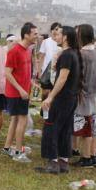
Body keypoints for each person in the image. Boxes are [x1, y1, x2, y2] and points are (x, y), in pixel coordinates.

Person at [35, 26, 81, 174]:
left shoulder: (67, 55)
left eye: (59, 34)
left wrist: (50, 97)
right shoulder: (74, 53)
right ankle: (63, 162)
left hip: (62, 98)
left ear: (66, 37)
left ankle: (53, 162)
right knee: (65, 129)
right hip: (71, 97)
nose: (56, 36)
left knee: (51, 127)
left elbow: (62, 79)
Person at [3, 22, 38, 162]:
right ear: (26, 35)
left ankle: (7, 147)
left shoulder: (28, 50)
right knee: (22, 119)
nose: (37, 36)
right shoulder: (15, 50)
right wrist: (20, 89)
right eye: (35, 34)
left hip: (24, 90)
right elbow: (7, 73)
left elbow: (24, 72)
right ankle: (18, 151)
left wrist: (31, 83)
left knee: (16, 119)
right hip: (17, 93)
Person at [72, 24, 96, 168]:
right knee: (90, 128)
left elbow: (77, 75)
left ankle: (85, 158)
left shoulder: (82, 53)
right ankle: (90, 155)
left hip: (83, 95)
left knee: (84, 129)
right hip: (95, 94)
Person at [36, 22, 62, 101]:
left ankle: (50, 109)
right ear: (51, 31)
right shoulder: (46, 41)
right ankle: (44, 109)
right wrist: (39, 71)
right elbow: (41, 56)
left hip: (57, 70)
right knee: (45, 92)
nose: (55, 31)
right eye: (54, 29)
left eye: (58, 29)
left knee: (54, 92)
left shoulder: (62, 42)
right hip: (46, 70)